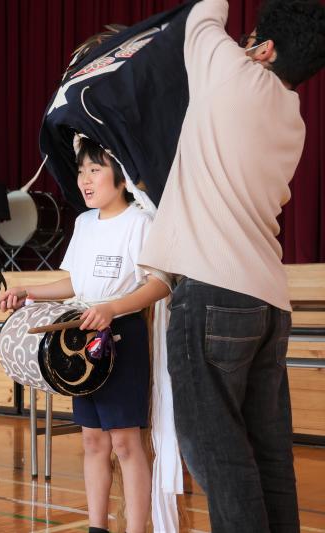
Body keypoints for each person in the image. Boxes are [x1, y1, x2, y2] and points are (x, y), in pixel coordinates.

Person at [137, 1, 325, 531]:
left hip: (213, 294)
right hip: (267, 302)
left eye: (252, 38)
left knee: (221, 461)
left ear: (264, 49)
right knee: (269, 459)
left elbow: (203, 11)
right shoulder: (293, 118)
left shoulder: (228, 72)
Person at [0, 138, 169, 533]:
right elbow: (75, 281)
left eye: (95, 170)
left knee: (126, 443)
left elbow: (160, 283)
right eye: (80, 171)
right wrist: (29, 291)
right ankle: (97, 527)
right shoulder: (84, 223)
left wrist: (113, 308)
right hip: (80, 337)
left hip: (120, 336)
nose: (84, 180)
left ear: (123, 178)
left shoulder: (141, 223)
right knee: (92, 441)